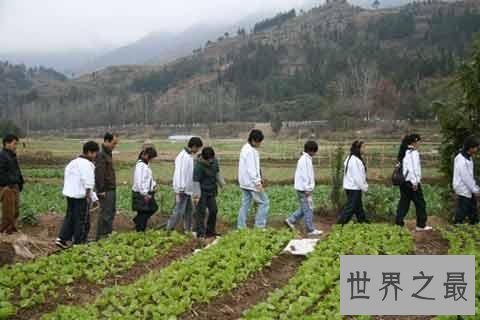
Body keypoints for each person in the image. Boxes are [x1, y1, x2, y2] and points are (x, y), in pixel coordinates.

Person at [55, 141, 99, 249]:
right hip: (81, 196)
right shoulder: (87, 164)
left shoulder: (73, 163)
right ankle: (79, 243)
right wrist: (91, 197)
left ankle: (62, 239)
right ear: (89, 152)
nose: (95, 156)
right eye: (94, 154)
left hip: (70, 195)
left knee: (70, 217)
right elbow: (88, 182)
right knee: (81, 219)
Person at [284, 141, 323, 235]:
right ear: (311, 151)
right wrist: (307, 189)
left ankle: (290, 220)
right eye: (314, 151)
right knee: (309, 208)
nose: (315, 153)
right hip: (304, 189)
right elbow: (305, 176)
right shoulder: (305, 160)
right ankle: (310, 230)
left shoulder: (305, 159)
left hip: (302, 188)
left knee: (304, 208)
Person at [395, 134, 432, 231]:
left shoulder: (403, 151)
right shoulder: (413, 152)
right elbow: (413, 169)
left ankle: (398, 223)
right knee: (420, 203)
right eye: (419, 141)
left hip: (403, 182)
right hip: (411, 183)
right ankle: (421, 225)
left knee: (404, 203)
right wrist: (415, 183)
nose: (419, 143)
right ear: (414, 142)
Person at [166, 137, 203, 233]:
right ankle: (169, 229)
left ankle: (188, 230)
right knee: (178, 211)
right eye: (198, 148)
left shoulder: (189, 156)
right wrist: (180, 189)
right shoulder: (183, 157)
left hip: (187, 190)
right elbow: (180, 173)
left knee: (189, 211)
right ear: (194, 146)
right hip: (182, 189)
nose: (198, 151)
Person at [237, 129, 269, 229]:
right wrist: (257, 182)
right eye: (259, 141)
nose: (260, 144)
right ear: (254, 140)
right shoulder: (251, 151)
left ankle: (241, 227)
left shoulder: (245, 148)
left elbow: (253, 167)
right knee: (264, 202)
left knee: (245, 204)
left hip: (244, 182)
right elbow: (251, 169)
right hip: (251, 183)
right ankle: (259, 226)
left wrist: (260, 178)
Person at [337, 140, 369, 225]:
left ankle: (363, 222)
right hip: (354, 187)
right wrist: (364, 187)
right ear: (358, 148)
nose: (366, 148)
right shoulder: (354, 160)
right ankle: (340, 224)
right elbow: (357, 177)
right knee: (350, 208)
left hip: (352, 187)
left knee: (358, 208)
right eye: (364, 147)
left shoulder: (352, 158)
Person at [192, 147, 221, 239]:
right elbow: (196, 182)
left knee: (214, 210)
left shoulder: (214, 161)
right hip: (202, 191)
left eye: (212, 159)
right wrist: (196, 196)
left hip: (212, 190)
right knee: (201, 212)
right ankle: (200, 233)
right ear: (203, 158)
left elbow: (217, 173)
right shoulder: (198, 166)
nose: (210, 161)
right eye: (208, 160)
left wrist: (222, 184)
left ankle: (210, 231)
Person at [95, 132, 119, 240]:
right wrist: (101, 189)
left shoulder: (108, 154)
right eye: (113, 144)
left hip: (111, 188)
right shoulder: (101, 155)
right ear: (107, 141)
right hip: (106, 190)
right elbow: (99, 173)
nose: (114, 146)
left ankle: (107, 235)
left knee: (110, 212)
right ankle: (103, 236)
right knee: (106, 213)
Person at [0, 134, 24, 234]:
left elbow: (17, 171)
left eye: (16, 144)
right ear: (7, 144)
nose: (15, 146)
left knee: (15, 211)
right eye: (14, 144)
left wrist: (20, 182)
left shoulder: (12, 156)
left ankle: (11, 229)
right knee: (9, 212)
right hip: (7, 187)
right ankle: (4, 230)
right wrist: (7, 185)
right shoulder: (2, 156)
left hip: (15, 186)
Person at [453, 136, 480, 225]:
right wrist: (475, 190)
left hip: (468, 188)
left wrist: (474, 188)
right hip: (463, 188)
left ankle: (474, 224)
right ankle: (457, 228)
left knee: (473, 210)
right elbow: (466, 177)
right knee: (462, 211)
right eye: (476, 147)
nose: (477, 149)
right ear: (470, 147)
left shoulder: (468, 157)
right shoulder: (462, 160)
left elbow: (470, 177)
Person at [132, 147, 159, 232]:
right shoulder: (141, 166)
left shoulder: (145, 165)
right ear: (146, 155)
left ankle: (138, 222)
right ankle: (140, 231)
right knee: (143, 213)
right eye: (151, 158)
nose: (151, 160)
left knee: (151, 209)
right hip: (142, 193)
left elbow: (148, 179)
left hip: (147, 192)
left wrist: (154, 185)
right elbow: (139, 181)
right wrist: (144, 194)